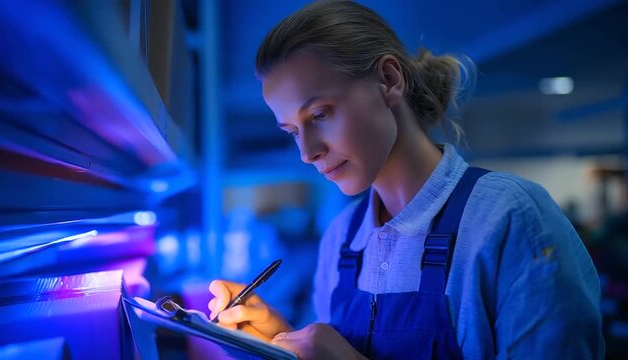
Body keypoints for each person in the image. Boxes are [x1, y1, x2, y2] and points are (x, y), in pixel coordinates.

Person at [207, 1, 604, 358]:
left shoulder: (509, 216)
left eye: (321, 115)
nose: (307, 152)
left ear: (389, 79)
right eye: (293, 131)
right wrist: (283, 341)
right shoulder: (342, 237)